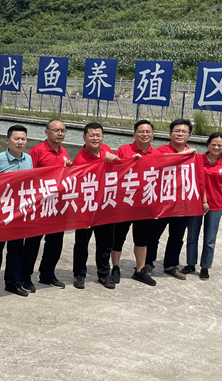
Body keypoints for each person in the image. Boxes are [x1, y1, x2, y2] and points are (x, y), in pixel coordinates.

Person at [21, 119, 72, 290]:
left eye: (62, 130)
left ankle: (47, 274)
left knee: (55, 241)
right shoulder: (37, 151)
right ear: (46, 132)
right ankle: (25, 276)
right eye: (56, 130)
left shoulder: (64, 152)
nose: (60, 133)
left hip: (57, 205)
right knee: (33, 242)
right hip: (40, 205)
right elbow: (29, 177)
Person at [0, 125, 33, 300]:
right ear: (8, 140)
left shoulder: (28, 159)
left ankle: (12, 282)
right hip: (1, 212)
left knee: (16, 248)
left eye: (23, 139)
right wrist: (3, 178)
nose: (20, 142)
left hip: (19, 212)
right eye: (16, 139)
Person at [147, 118, 197, 280]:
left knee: (177, 236)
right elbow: (161, 160)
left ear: (189, 135)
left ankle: (170, 264)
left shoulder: (195, 156)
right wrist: (185, 154)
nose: (180, 134)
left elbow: (199, 179)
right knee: (153, 235)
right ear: (170, 134)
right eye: (177, 131)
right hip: (162, 201)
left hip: (183, 203)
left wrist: (202, 201)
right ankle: (147, 263)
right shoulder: (162, 150)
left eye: (184, 131)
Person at [71, 123, 119, 290]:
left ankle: (104, 274)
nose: (95, 138)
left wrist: (116, 159)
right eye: (92, 135)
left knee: (105, 243)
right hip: (86, 207)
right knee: (82, 243)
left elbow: (121, 168)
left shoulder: (107, 150)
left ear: (103, 137)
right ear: (84, 137)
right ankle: (79, 274)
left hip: (106, 206)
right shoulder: (80, 160)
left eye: (98, 135)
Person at [110, 119, 156, 286]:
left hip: (145, 203)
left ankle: (140, 270)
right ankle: (115, 267)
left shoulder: (156, 154)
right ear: (134, 134)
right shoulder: (124, 150)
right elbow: (115, 170)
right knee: (118, 237)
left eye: (148, 132)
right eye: (141, 131)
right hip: (124, 202)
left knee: (142, 239)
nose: (145, 134)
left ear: (152, 135)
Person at [182, 132, 222, 280]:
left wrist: (219, 199)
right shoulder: (198, 159)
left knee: (210, 239)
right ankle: (191, 263)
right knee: (192, 235)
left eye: (220, 145)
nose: (216, 147)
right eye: (213, 144)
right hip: (196, 203)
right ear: (208, 144)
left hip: (215, 205)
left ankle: (205, 267)